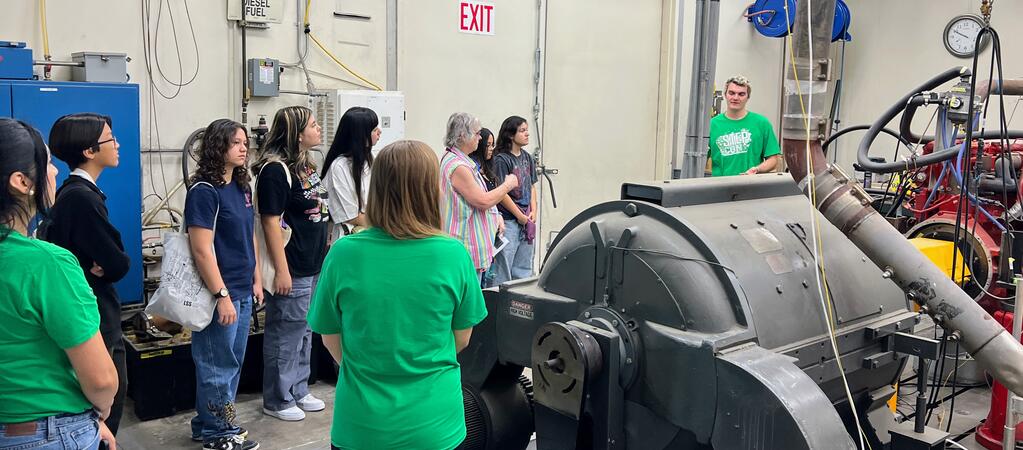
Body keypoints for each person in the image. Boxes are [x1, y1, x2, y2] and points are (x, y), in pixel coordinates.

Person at [307, 140, 488, 450]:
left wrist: (368, 365)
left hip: (362, 426)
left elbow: (330, 337)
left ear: (376, 189)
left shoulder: (344, 254)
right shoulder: (453, 255)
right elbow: (462, 337)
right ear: (432, 191)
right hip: (435, 426)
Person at [0, 118, 118, 450]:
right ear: (21, 182)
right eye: (48, 164)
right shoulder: (47, 264)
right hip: (45, 432)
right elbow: (101, 380)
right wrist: (97, 415)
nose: (54, 172)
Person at [41, 113, 130, 436]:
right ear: (90, 151)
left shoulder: (77, 194)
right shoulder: (80, 198)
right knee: (107, 403)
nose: (117, 144)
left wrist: (110, 259)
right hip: (94, 314)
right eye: (110, 138)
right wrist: (112, 261)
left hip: (95, 307)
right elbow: (118, 263)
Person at [184, 119, 262, 450]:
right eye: (236, 143)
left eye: (245, 142)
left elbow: (249, 234)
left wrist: (257, 277)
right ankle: (221, 432)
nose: (244, 148)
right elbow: (202, 250)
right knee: (218, 365)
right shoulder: (204, 192)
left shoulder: (242, 187)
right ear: (219, 147)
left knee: (230, 364)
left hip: (243, 289)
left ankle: (207, 422)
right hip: (219, 294)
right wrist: (222, 295)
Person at [252, 105, 329, 422]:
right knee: (286, 332)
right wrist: (282, 269)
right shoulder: (275, 170)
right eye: (313, 125)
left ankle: (298, 387)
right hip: (292, 265)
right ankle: (278, 397)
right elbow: (270, 223)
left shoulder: (307, 166)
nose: (319, 129)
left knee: (305, 329)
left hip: (313, 264)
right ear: (298, 134)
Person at [441, 113, 518, 284]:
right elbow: (482, 201)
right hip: (464, 248)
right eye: (476, 133)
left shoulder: (462, 161)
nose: (479, 137)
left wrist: (496, 215)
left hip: (467, 250)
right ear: (462, 135)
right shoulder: (459, 166)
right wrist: (508, 184)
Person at [321, 106, 381, 243]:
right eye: (374, 129)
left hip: (370, 234)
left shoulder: (370, 158)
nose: (379, 132)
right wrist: (388, 225)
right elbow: (352, 216)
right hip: (349, 239)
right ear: (360, 135)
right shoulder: (339, 167)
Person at [491, 116, 537, 285]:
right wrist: (519, 215)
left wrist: (533, 212)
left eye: (527, 130)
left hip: (526, 220)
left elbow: (532, 186)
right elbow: (501, 193)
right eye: (522, 130)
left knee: (524, 269)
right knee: (503, 269)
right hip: (510, 221)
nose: (527, 134)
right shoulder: (501, 159)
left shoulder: (527, 158)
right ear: (511, 135)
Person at [706, 75, 781, 177]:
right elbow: (699, 159)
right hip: (720, 188)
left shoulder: (762, 124)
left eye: (741, 94)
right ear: (725, 95)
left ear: (747, 97)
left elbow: (773, 159)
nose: (736, 98)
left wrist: (757, 169)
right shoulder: (711, 125)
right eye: (732, 93)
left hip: (751, 187)